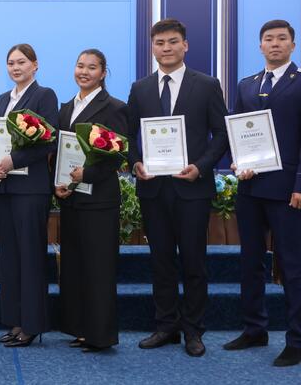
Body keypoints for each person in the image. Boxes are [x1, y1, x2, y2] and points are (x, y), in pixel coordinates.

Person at [223, 20, 301, 367]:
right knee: (250, 262)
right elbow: (238, 132)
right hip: (251, 188)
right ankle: (254, 328)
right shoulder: (247, 84)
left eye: (282, 38)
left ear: (292, 45)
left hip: (287, 191)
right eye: (268, 39)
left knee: (292, 266)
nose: (275, 44)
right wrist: (238, 163)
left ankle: (297, 340)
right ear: (260, 46)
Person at [126, 19, 228, 357]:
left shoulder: (207, 85)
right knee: (161, 261)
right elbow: (127, 135)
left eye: (172, 42)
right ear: (152, 48)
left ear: (185, 45)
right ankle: (166, 325)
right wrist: (135, 163)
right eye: (160, 43)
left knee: (194, 262)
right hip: (154, 189)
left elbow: (221, 134)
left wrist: (201, 166)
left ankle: (193, 330)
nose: (166, 48)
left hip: (193, 188)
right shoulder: (140, 88)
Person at [0, 43, 58, 347]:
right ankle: (14, 321)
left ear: (35, 65)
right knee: (9, 258)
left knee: (31, 257)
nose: (15, 67)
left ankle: (32, 325)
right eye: (11, 63)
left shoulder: (44, 95)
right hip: (6, 188)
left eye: (21, 62)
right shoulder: (2, 99)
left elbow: (48, 141)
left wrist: (13, 160)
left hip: (32, 189)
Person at [54, 49, 128, 352]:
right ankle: (81, 328)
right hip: (72, 200)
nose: (84, 72)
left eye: (92, 67)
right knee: (75, 267)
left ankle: (100, 335)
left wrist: (88, 173)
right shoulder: (66, 108)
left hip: (99, 201)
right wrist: (59, 184)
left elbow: (117, 156)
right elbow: (60, 154)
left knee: (99, 269)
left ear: (103, 73)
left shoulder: (115, 107)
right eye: (80, 66)